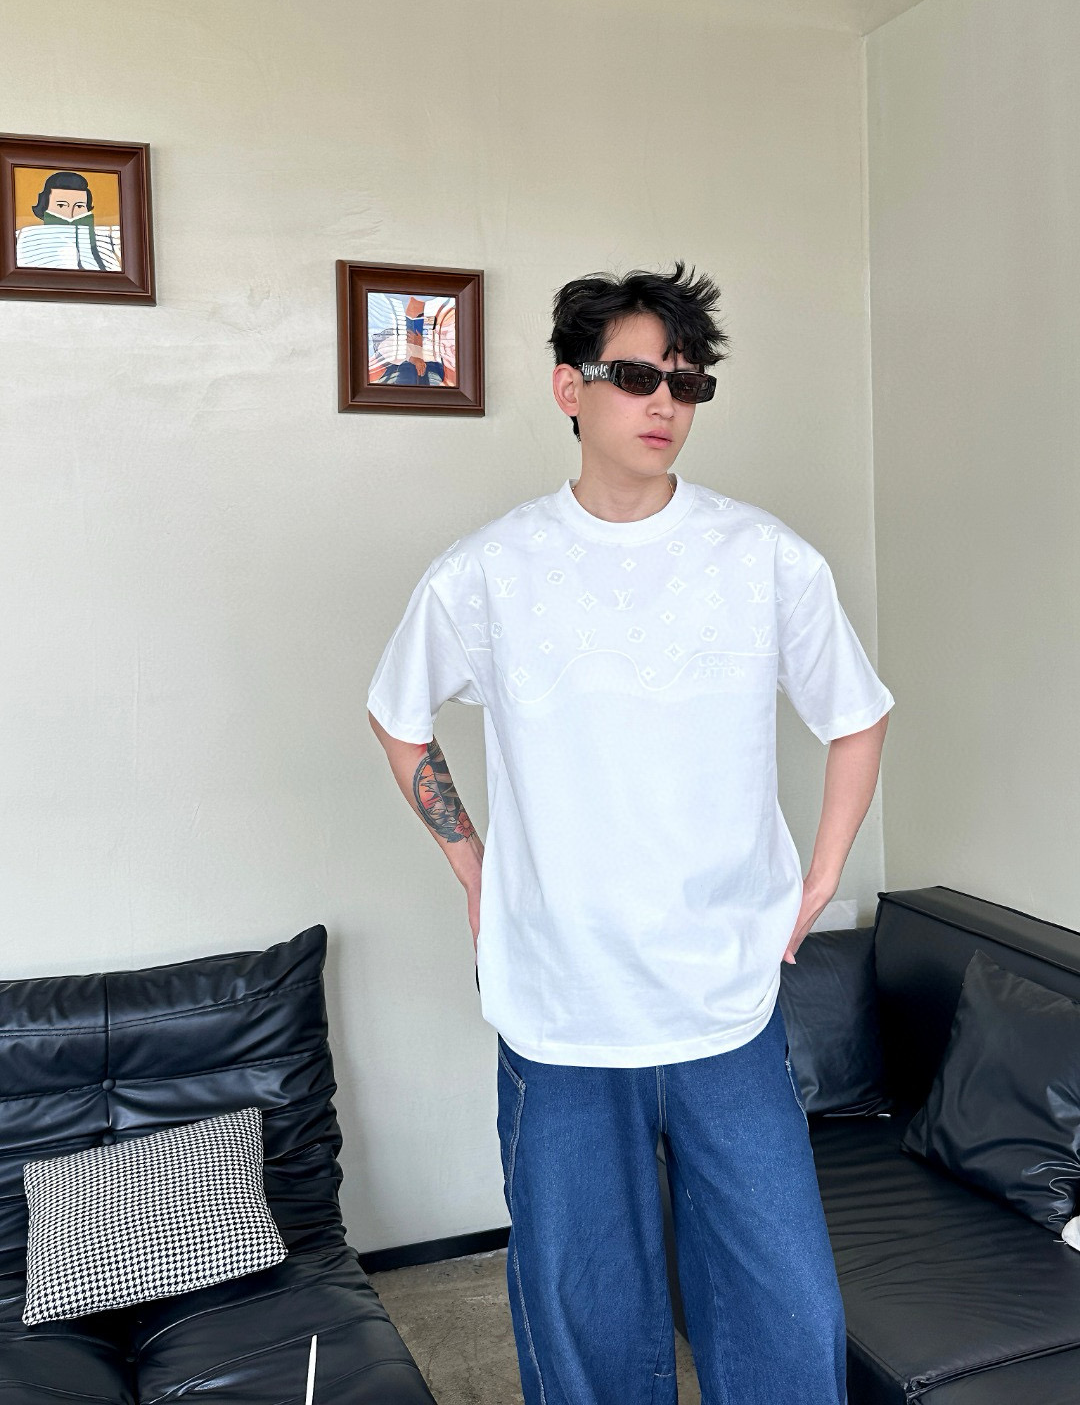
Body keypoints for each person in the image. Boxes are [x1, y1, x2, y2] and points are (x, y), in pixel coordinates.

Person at [367, 262, 894, 1405]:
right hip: (560, 1012)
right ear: (570, 387)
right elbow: (399, 717)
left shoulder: (764, 559)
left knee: (788, 1320)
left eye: (688, 382)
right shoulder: (492, 571)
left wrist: (821, 877)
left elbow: (857, 717)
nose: (667, 401)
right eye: (640, 376)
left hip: (726, 1004)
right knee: (587, 1331)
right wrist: (472, 865)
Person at [14, 171, 122, 272]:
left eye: (79, 206)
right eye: (61, 205)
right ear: (45, 206)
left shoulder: (112, 238)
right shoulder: (20, 239)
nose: (71, 214)